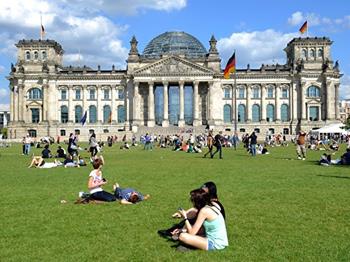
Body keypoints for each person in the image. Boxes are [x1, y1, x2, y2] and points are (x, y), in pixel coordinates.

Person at [158, 182, 225, 239]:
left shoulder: (209, 206)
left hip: (210, 233)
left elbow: (194, 231)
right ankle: (175, 230)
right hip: (212, 230)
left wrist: (185, 217)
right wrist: (182, 215)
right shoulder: (211, 203)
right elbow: (195, 209)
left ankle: (175, 231)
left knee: (189, 222)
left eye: (202, 191)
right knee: (192, 214)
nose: (200, 193)